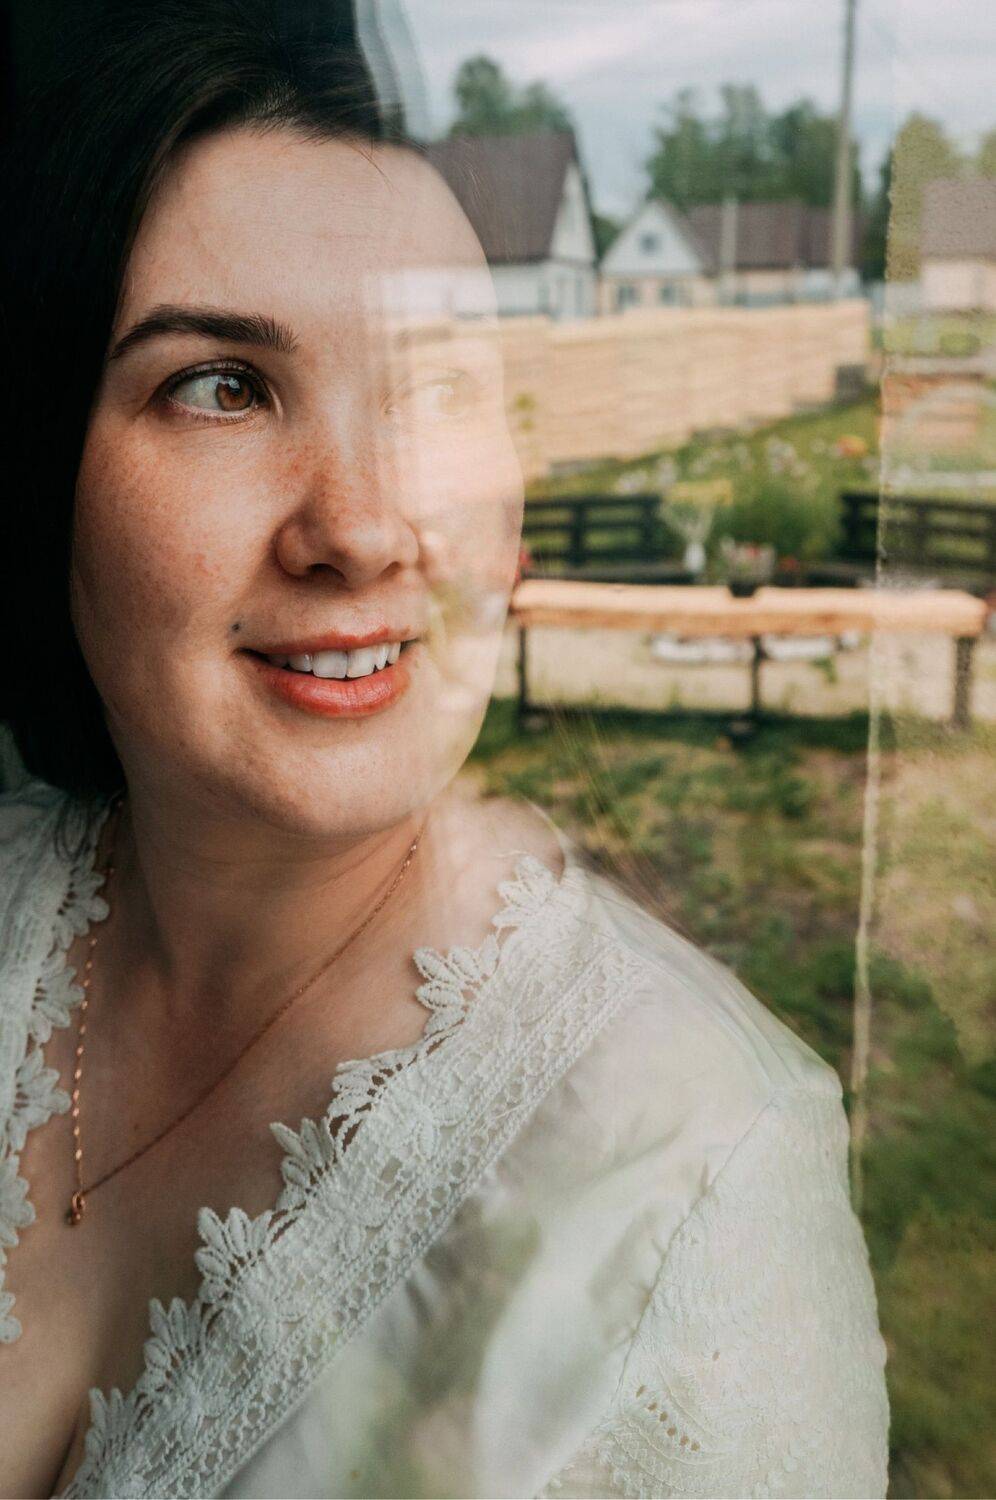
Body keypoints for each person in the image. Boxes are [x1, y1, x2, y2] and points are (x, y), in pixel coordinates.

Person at [0, 4, 889, 1496]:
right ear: (47, 481)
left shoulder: (692, 1186)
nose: (358, 529)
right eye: (223, 385)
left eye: (435, 389)